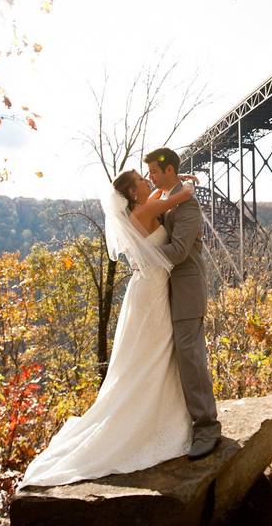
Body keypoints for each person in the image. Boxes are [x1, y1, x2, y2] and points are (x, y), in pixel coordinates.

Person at [17, 169, 196, 489]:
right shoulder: (145, 210)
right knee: (154, 355)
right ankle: (152, 423)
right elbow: (180, 197)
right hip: (151, 294)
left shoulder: (140, 208)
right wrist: (186, 185)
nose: (147, 182)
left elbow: (160, 194)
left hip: (146, 291)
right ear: (131, 193)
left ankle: (156, 416)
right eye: (142, 180)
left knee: (147, 357)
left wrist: (173, 176)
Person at [145, 147, 221, 460]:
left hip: (187, 291)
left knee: (190, 358)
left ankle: (207, 428)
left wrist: (142, 257)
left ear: (169, 171)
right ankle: (181, 423)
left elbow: (178, 251)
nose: (150, 178)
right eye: (148, 174)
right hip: (166, 290)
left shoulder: (187, 203)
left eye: (154, 172)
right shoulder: (168, 195)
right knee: (172, 357)